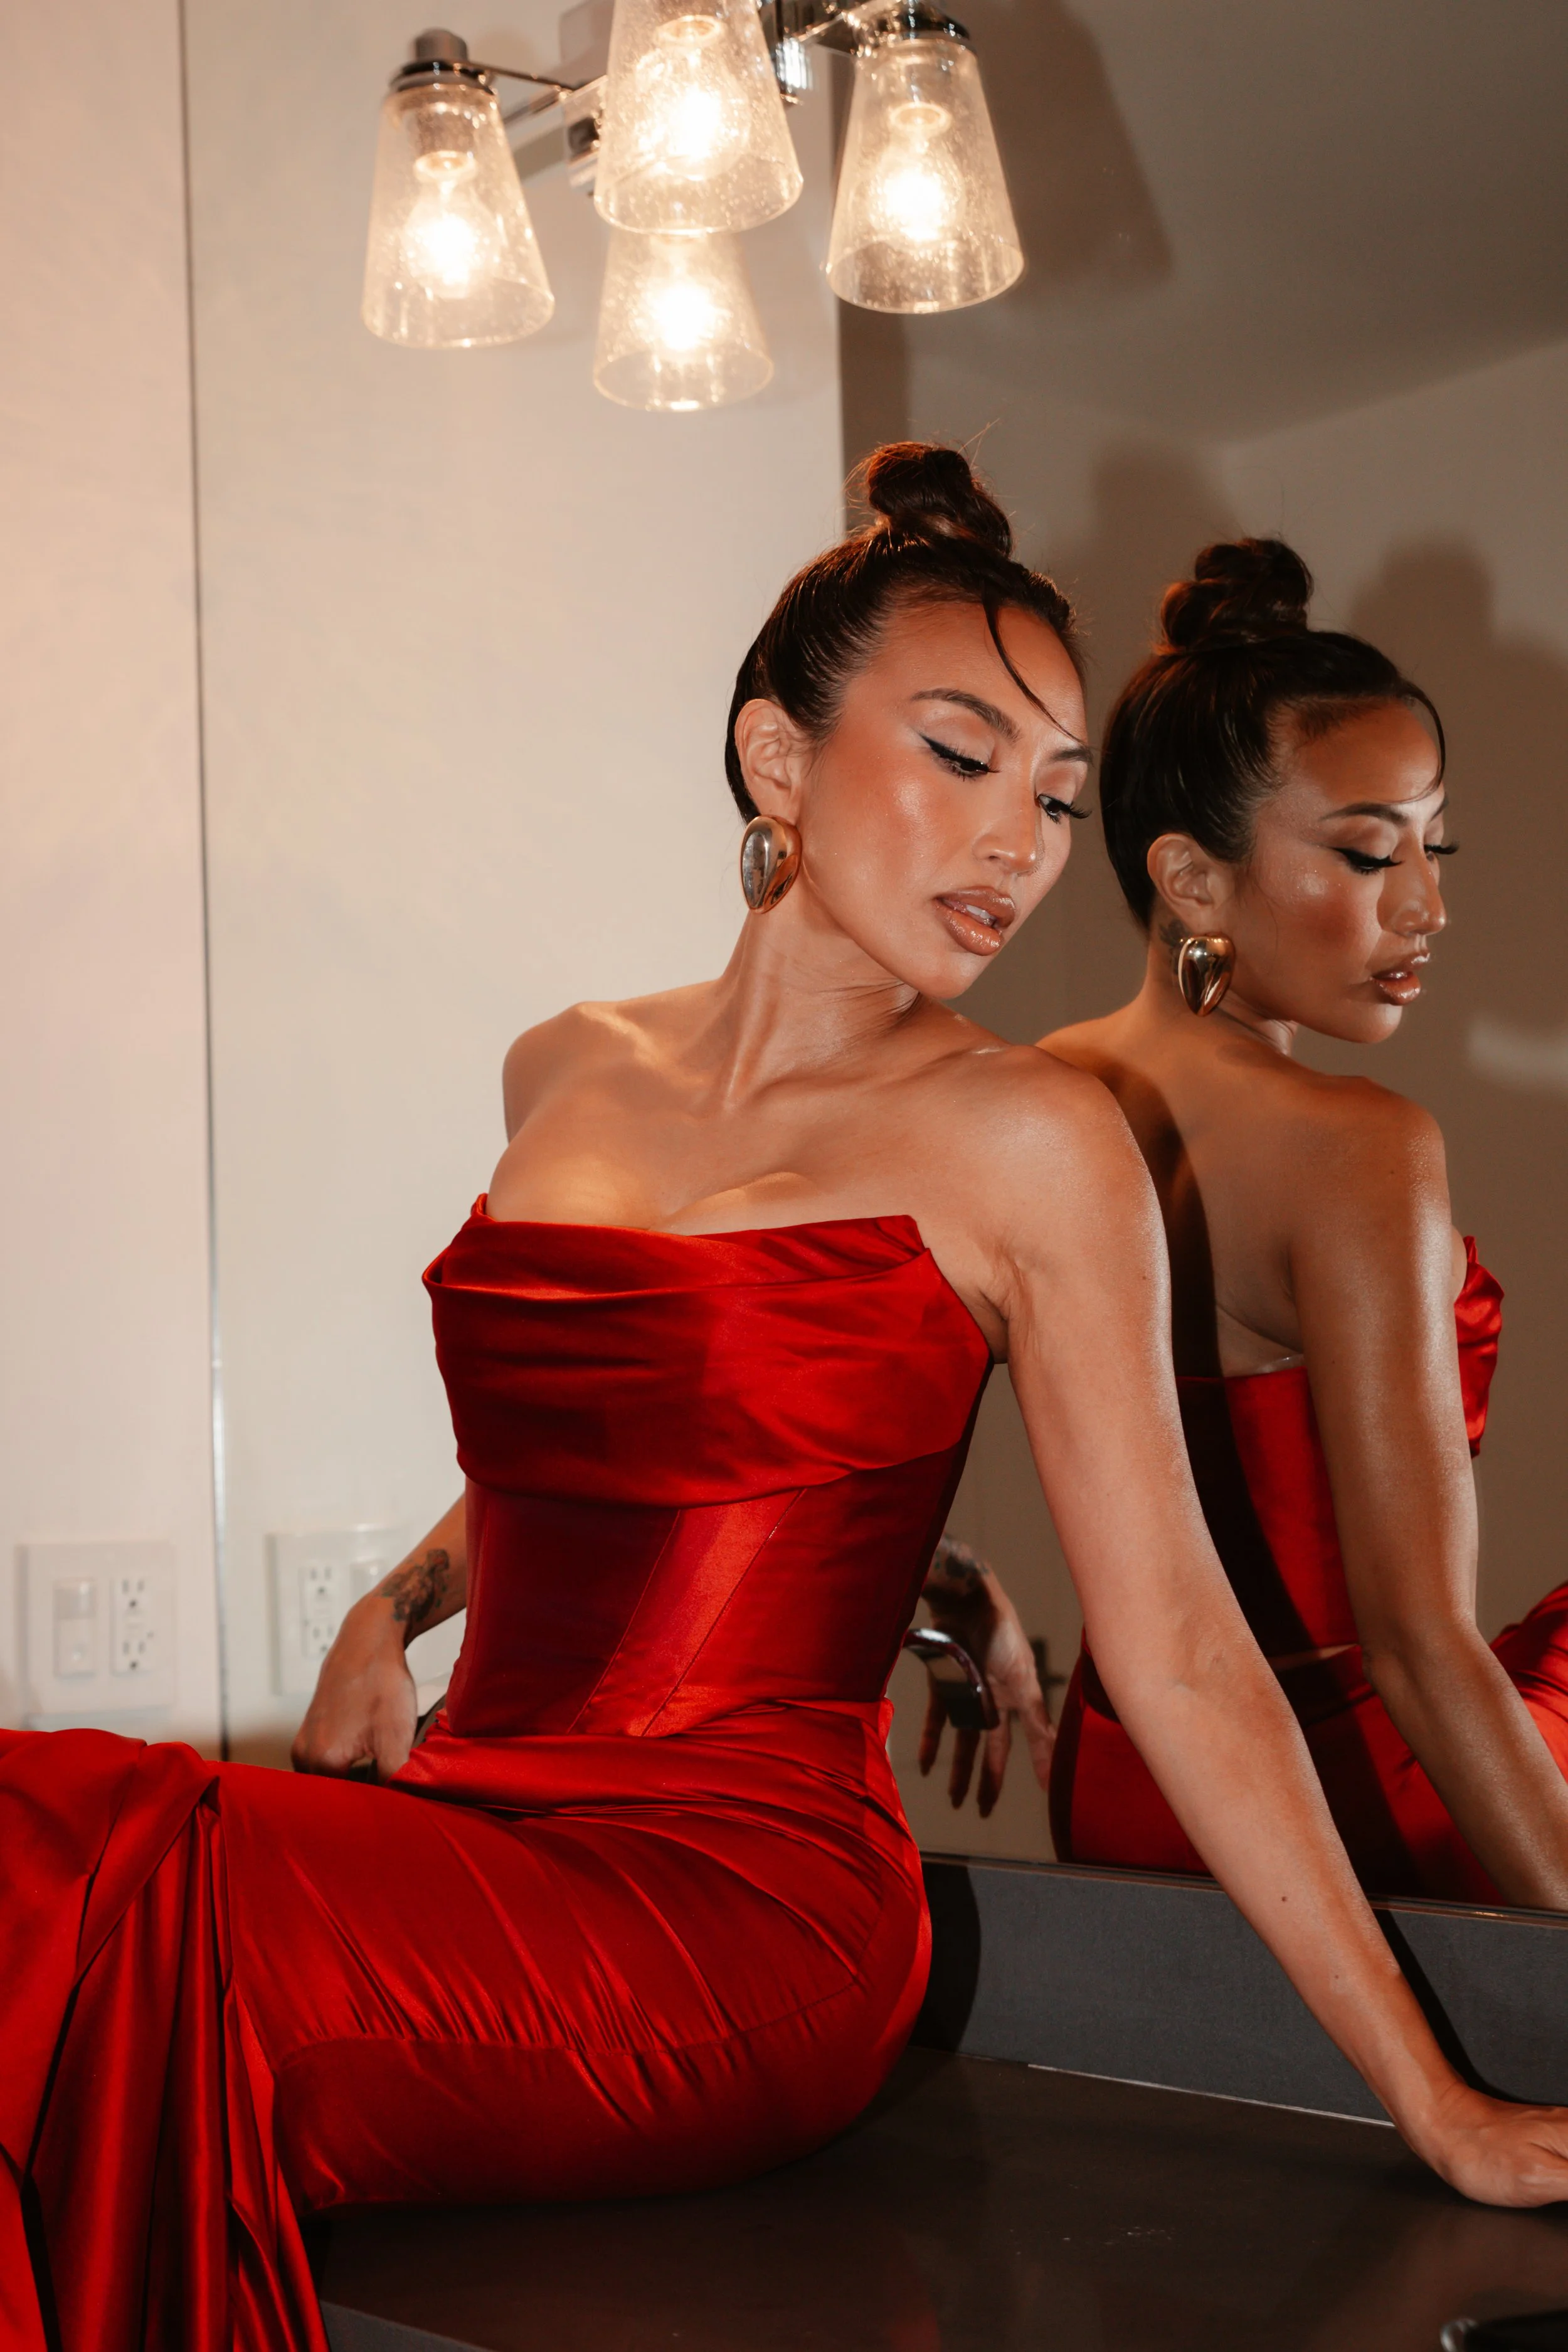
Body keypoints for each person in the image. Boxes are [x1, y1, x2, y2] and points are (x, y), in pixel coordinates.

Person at [6, 460, 1567, 2352]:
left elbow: (1177, 1649)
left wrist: (1442, 2102)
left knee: (71, 1854)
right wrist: (396, 1602)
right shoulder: (565, 1069)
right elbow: (598, 1450)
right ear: (776, 756)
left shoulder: (1032, 1137)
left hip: (736, 1916)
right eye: (959, 752)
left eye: (1057, 795)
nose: (1015, 841)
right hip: (474, 1817)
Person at [1044, 536, 1568, 1908]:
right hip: (1336, 1795)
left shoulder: (1018, 1099)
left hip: (1116, 1779)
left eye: (1432, 847)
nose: (1428, 905)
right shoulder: (1358, 1147)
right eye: (1364, 852)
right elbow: (1412, 1642)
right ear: (1192, 880)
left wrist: (943, 1594)